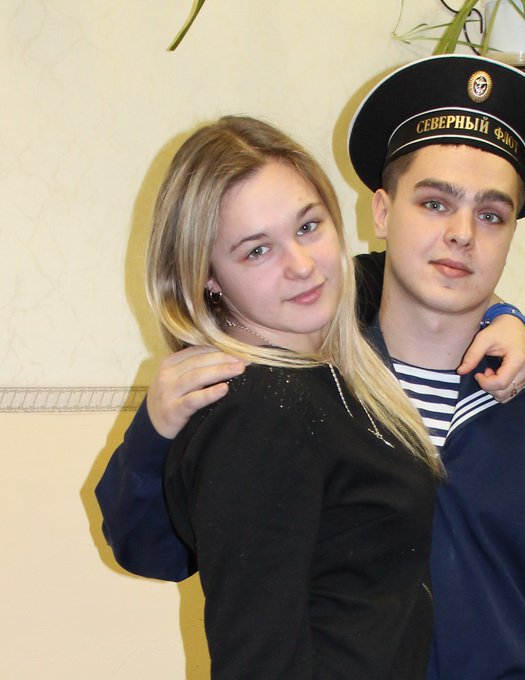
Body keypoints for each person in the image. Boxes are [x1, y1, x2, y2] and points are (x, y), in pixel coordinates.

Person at [98, 54, 525, 679]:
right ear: (380, 211)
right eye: (434, 203)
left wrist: (509, 315)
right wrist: (153, 434)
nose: (462, 235)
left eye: (491, 215)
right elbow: (159, 548)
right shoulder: (304, 377)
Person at [140, 114, 442, 679]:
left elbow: (430, 279)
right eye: (257, 251)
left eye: (308, 226)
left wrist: (506, 317)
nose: (301, 266)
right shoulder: (261, 411)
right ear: (207, 277)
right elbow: (258, 659)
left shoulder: (323, 377)